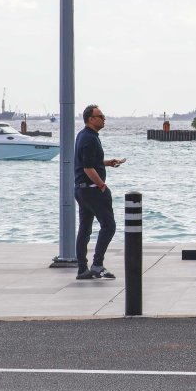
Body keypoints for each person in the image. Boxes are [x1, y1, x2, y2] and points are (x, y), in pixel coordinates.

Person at [74, 104, 125, 280]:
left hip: (82, 190)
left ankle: (82, 269)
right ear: (91, 119)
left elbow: (89, 162)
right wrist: (102, 186)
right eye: (100, 116)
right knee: (109, 226)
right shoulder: (89, 138)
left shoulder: (84, 135)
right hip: (92, 190)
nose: (104, 119)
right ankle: (97, 264)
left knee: (85, 229)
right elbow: (87, 168)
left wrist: (107, 163)